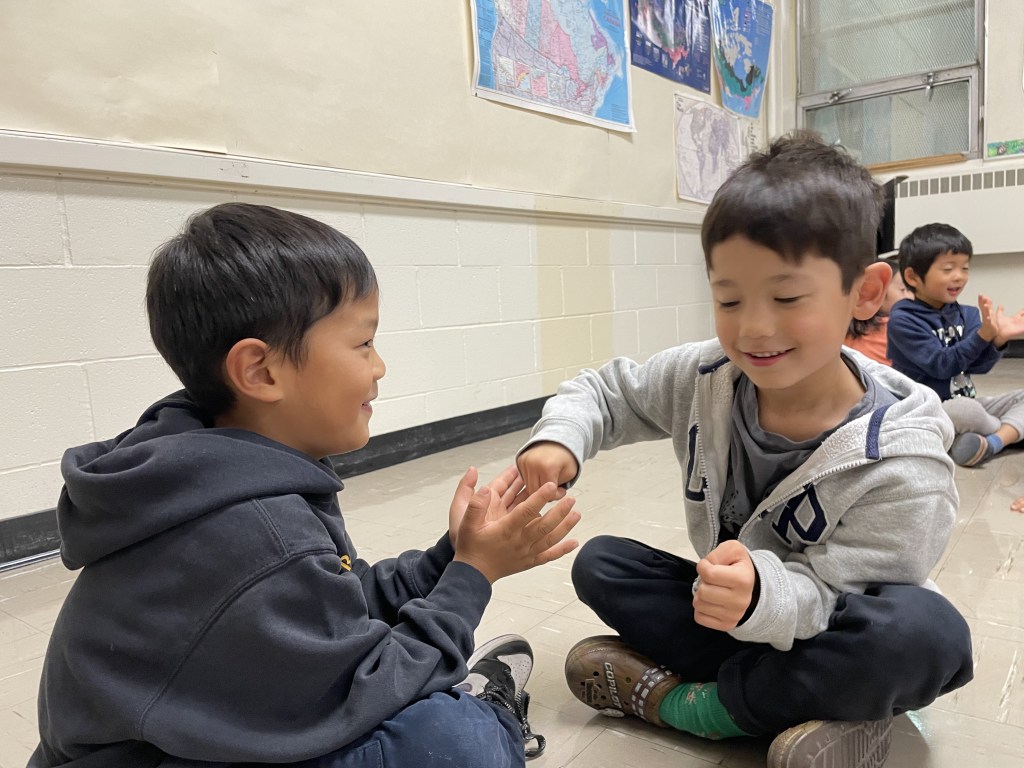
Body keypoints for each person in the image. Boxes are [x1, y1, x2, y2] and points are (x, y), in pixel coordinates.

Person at [30, 203, 582, 768]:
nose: (380, 366)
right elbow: (363, 683)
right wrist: (473, 574)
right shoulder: (255, 528)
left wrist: (453, 554)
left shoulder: (217, 467)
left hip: (178, 738)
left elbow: (337, 607)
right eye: (363, 343)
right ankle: (491, 710)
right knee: (454, 741)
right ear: (261, 371)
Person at [515, 133, 973, 768]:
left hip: (826, 629)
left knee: (926, 636)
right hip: (739, 619)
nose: (754, 328)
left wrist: (764, 597)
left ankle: (699, 708)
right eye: (728, 299)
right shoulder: (706, 375)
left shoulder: (902, 456)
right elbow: (607, 391)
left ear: (866, 293)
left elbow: (845, 596)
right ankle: (809, 707)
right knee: (601, 564)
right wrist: (560, 437)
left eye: (787, 298)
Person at [887, 222, 1024, 467]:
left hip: (968, 403)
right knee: (965, 411)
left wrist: (998, 340)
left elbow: (978, 366)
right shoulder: (903, 319)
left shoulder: (968, 314)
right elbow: (941, 366)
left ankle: (992, 442)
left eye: (965, 268)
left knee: (980, 406)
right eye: (948, 269)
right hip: (925, 413)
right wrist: (982, 336)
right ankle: (1008, 433)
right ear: (913, 277)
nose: (959, 276)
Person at [844, 254, 910, 365]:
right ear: (874, 290)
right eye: (903, 289)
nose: (911, 296)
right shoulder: (898, 327)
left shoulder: (839, 331)